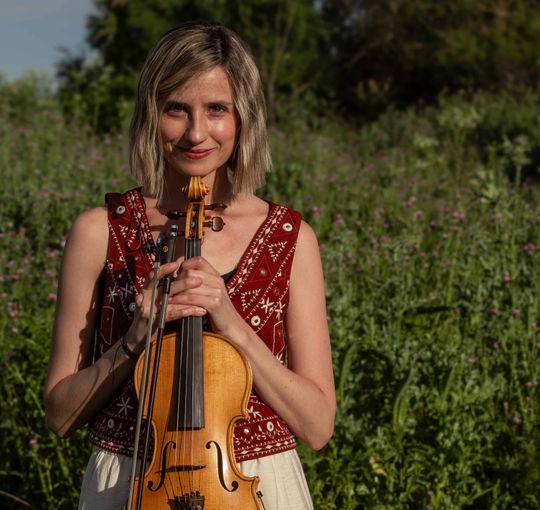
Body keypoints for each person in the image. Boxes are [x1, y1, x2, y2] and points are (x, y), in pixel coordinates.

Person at [43, 21, 335, 510]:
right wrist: (136, 336)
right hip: (131, 485)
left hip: (252, 486)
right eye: (176, 109)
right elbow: (59, 415)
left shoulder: (291, 238)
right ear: (150, 114)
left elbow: (317, 426)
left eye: (217, 109)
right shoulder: (100, 231)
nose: (197, 133)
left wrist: (230, 320)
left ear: (243, 118)